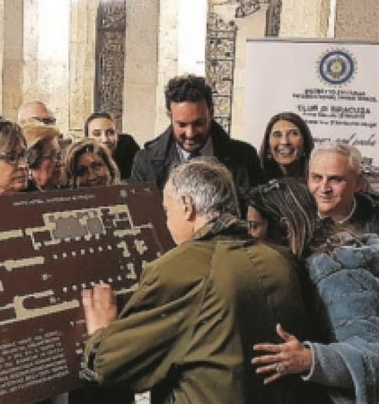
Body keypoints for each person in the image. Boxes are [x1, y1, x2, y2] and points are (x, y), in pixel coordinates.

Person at [80, 158, 325, 403]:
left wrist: (100, 333)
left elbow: (109, 365)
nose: (166, 222)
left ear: (187, 206)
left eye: (167, 211)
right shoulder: (283, 259)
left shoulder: (179, 269)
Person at [247, 178, 379, 404]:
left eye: (253, 226)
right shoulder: (303, 264)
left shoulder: (335, 268)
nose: (248, 237)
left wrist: (311, 359)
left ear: (285, 226)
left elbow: (373, 357)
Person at [131, 75, 263, 215]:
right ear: (170, 117)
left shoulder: (245, 157)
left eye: (198, 123)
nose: (190, 133)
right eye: (182, 125)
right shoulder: (145, 162)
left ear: (211, 113)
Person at [308, 142, 379, 233]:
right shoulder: (293, 212)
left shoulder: (375, 218)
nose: (324, 189)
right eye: (317, 178)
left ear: (357, 183)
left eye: (335, 180)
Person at [259, 112, 314, 181]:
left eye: (293, 134)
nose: (284, 142)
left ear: (305, 143)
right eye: (277, 134)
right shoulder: (254, 183)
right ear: (268, 145)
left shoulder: (318, 185)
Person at [84, 112, 140, 180]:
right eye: (97, 134)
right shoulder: (80, 159)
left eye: (111, 132)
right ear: (87, 139)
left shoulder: (129, 148)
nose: (105, 139)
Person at [22, 123, 66, 190]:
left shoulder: (65, 193)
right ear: (32, 159)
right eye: (53, 155)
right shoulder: (19, 197)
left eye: (59, 154)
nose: (61, 163)